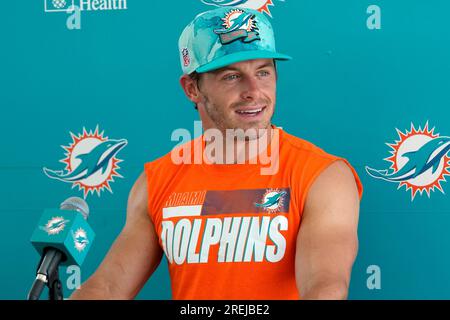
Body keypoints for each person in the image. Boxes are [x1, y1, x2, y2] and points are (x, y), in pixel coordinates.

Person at [70, 6, 363, 300]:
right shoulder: (156, 182)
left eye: (263, 71)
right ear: (192, 89)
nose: (254, 91)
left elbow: (325, 286)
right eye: (231, 76)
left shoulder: (322, 176)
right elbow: (107, 287)